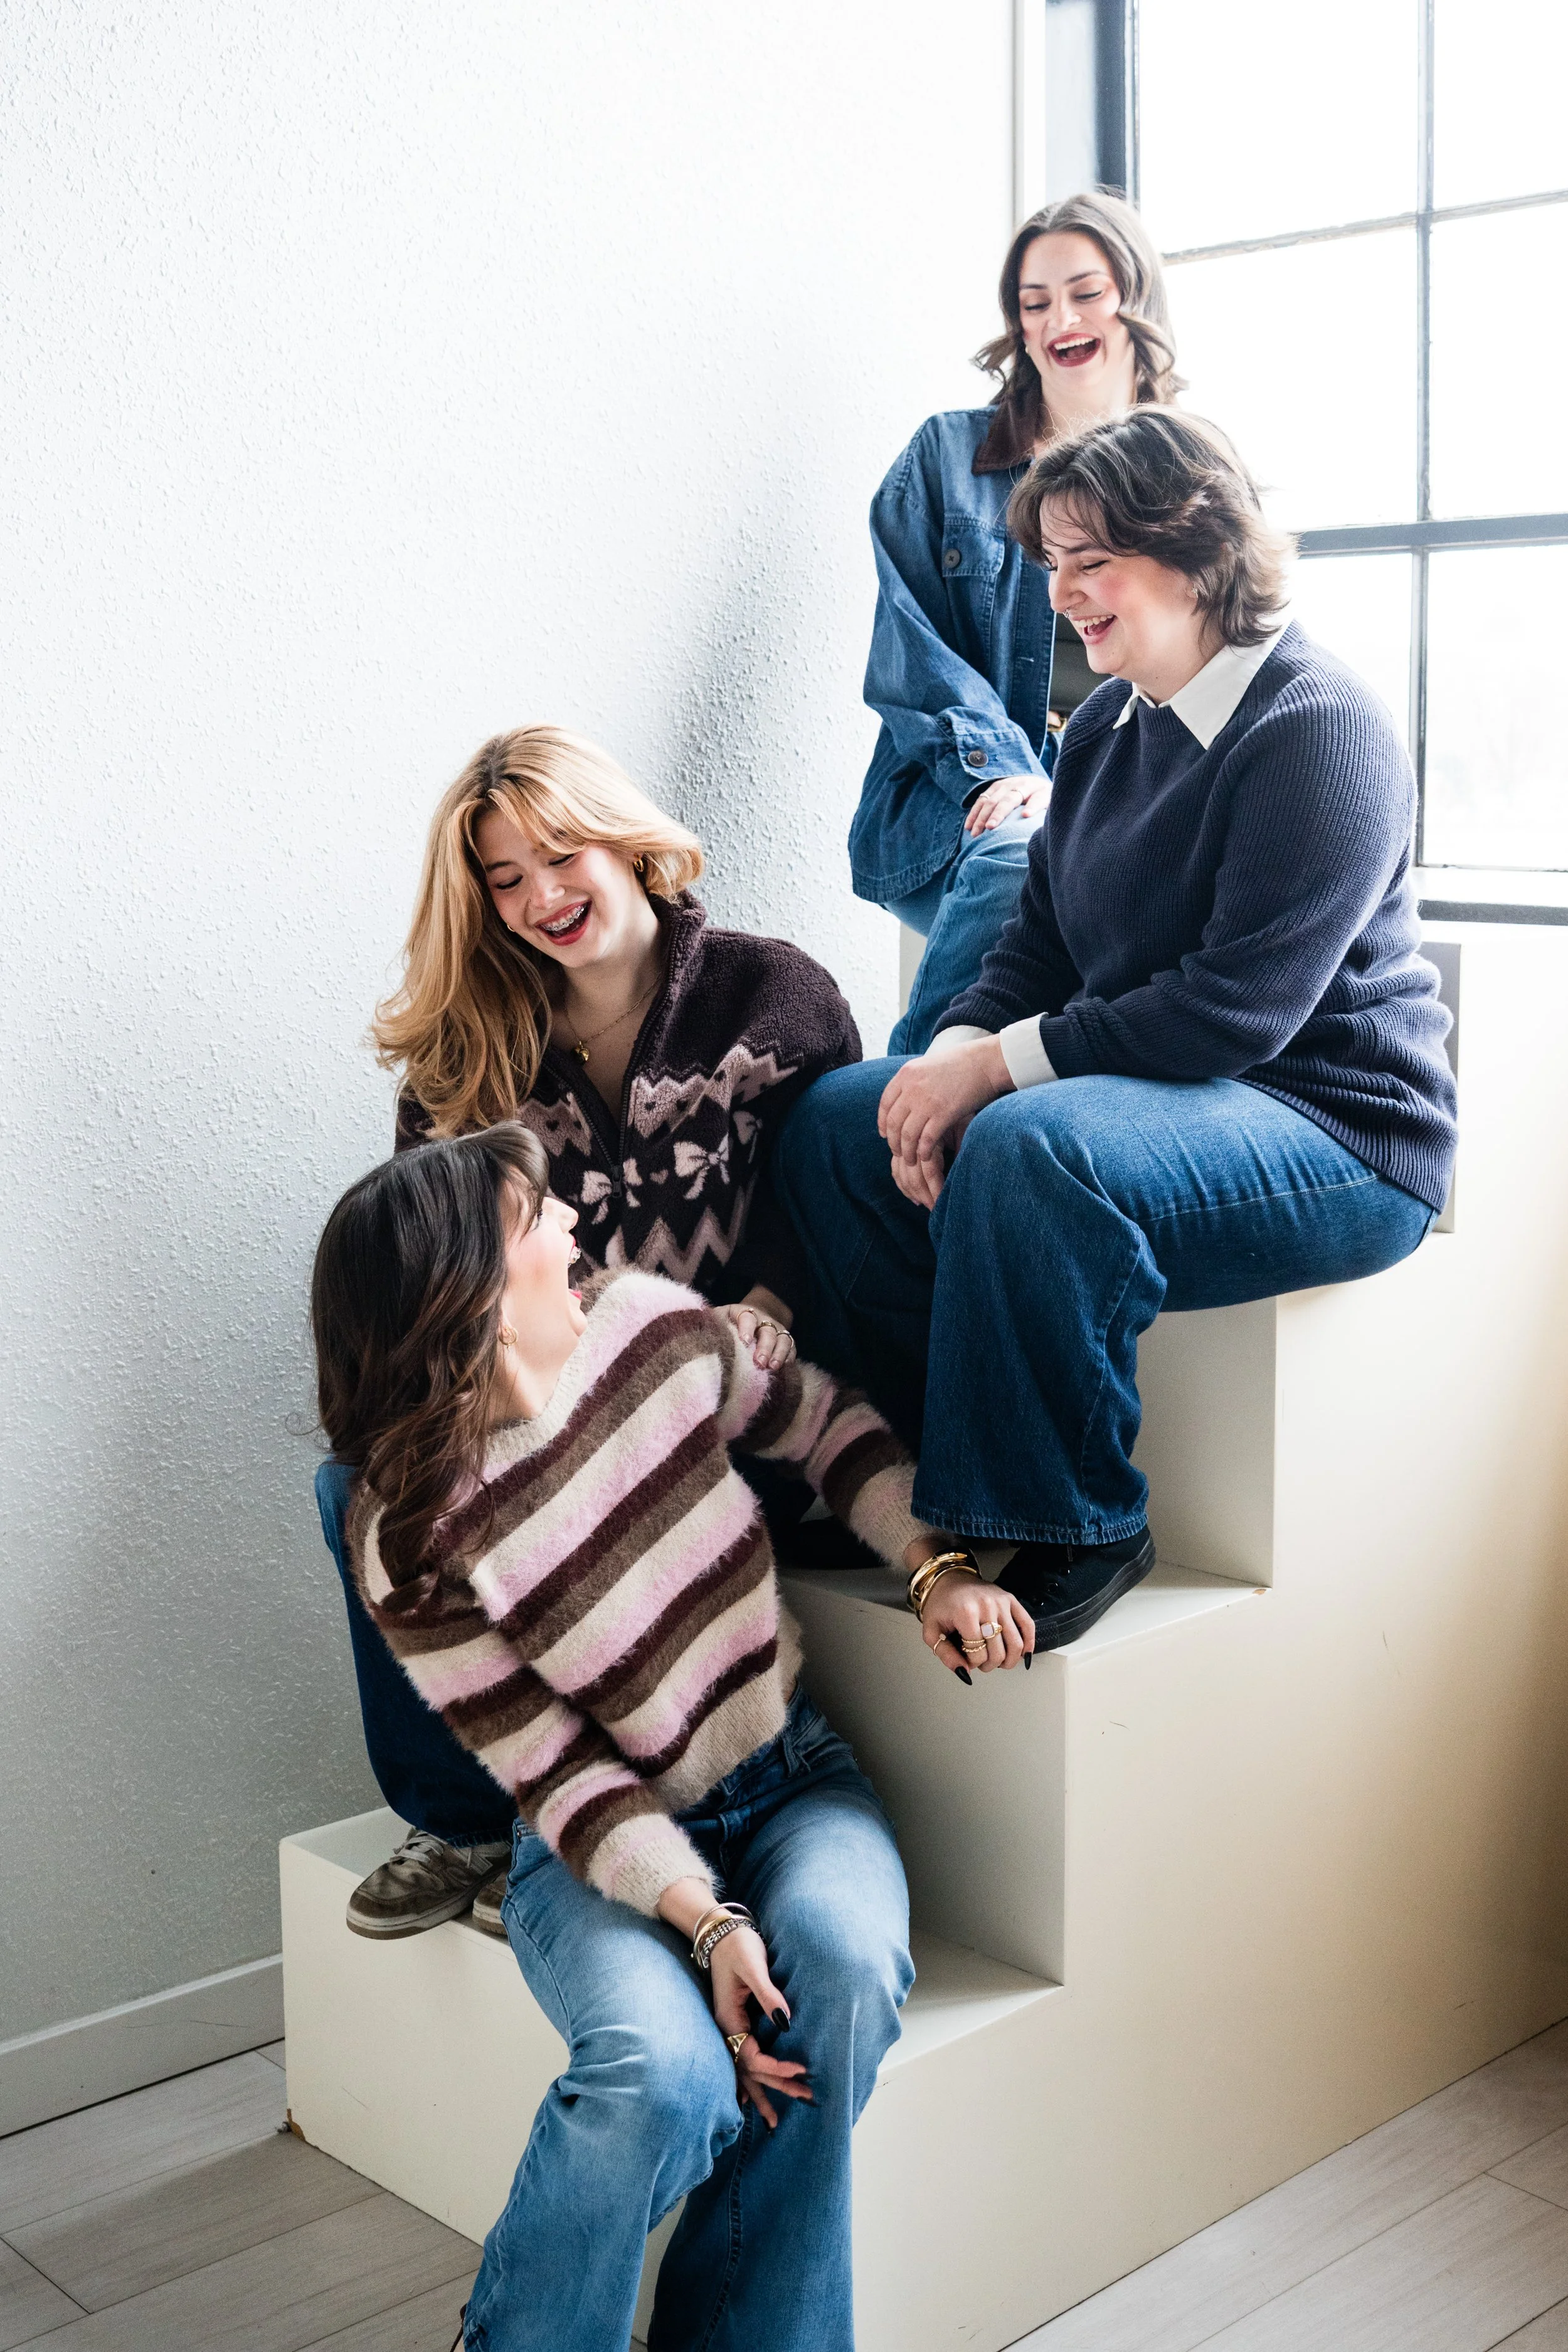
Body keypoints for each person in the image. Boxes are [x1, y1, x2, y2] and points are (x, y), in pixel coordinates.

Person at [309, 1123, 1030, 2352]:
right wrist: (706, 1924)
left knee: (844, 1976)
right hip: (591, 1855)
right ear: (469, 1290)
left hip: (794, 1787)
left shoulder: (649, 1328)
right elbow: (556, 1768)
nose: (573, 1228)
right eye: (537, 1219)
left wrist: (933, 1569)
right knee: (666, 2078)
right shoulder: (409, 1531)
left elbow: (820, 1426)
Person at [780, 408, 1458, 1651]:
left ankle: (1076, 1518)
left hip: (1334, 1129)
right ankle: (896, 1474)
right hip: (1183, 1097)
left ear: (1196, 549)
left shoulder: (1317, 731)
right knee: (836, 1118)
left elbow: (1228, 1012)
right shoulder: (1100, 726)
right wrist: (950, 1054)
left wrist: (994, 1069)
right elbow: (1036, 939)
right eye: (1051, 562)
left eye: (1090, 560)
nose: (1063, 593)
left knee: (1035, 1146)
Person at [320, 726, 866, 1942]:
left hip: (726, 1412)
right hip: (551, 1422)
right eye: (502, 881)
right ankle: (466, 1819)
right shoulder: (466, 1066)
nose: (538, 898)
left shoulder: (774, 996)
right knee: (360, 1489)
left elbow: (824, 1209)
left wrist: (767, 1306)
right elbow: (440, 1296)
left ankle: (570, 1827)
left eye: (558, 856)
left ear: (625, 844)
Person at [852, 191, 1183, 1056]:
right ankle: (888, 1124)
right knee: (1026, 855)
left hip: (1127, 811)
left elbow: (1221, 675)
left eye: (1085, 292)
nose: (1059, 320)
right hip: (962, 811)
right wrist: (1017, 778)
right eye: (1034, 305)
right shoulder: (944, 462)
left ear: (1135, 297)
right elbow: (910, 658)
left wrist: (1081, 797)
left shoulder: (1191, 477)